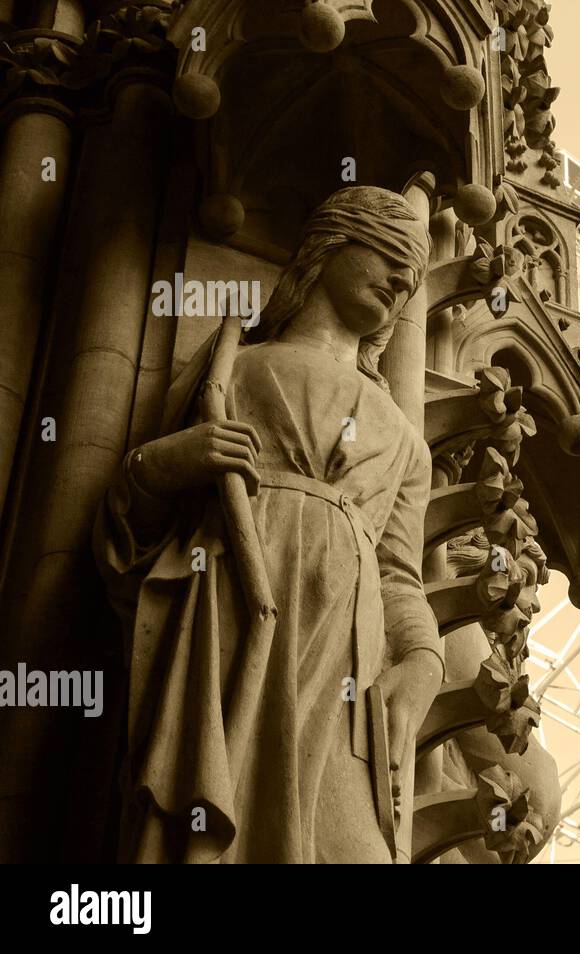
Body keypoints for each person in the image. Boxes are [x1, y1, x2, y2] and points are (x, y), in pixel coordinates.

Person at [96, 186, 442, 863]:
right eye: (389, 252)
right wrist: (167, 463)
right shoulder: (235, 367)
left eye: (415, 273)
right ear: (329, 245)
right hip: (230, 620)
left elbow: (400, 575)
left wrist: (424, 659)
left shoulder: (405, 440)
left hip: (346, 657)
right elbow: (129, 531)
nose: (403, 279)